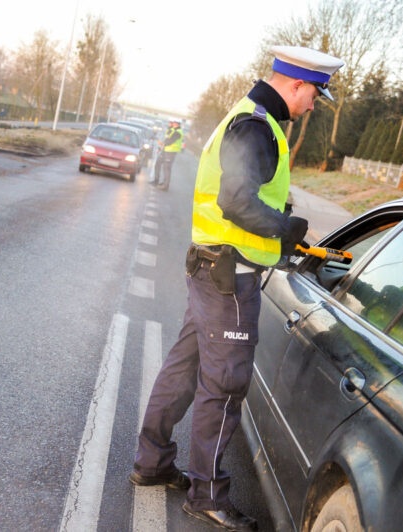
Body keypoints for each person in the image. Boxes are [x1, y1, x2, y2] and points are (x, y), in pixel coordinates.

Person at [129, 45, 344, 531]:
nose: (313, 105)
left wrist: (279, 234)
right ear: (296, 85)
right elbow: (236, 202)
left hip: (212, 270)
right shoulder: (257, 126)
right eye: (314, 94)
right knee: (225, 387)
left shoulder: (248, 116)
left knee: (182, 372)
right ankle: (206, 495)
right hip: (230, 281)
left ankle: (152, 463)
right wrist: (286, 228)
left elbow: (240, 203)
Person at [152, 118, 183, 190]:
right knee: (158, 163)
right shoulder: (172, 130)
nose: (171, 124)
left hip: (171, 152)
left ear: (177, 123)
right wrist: (161, 147)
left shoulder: (178, 132)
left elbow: (170, 141)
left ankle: (165, 186)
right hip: (166, 150)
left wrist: (162, 144)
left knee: (167, 168)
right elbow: (167, 139)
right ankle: (157, 181)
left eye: (173, 122)